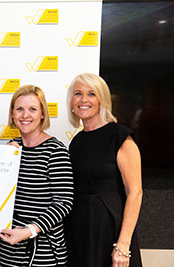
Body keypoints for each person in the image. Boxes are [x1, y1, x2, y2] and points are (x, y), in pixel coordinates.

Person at [65, 73, 143, 267]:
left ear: (102, 100)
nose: (84, 100)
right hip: (79, 229)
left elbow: (135, 193)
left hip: (109, 229)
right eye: (78, 94)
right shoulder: (76, 142)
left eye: (91, 94)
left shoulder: (120, 136)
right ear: (71, 102)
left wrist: (123, 245)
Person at [0, 85, 74, 267]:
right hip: (9, 249)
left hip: (44, 252)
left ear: (42, 114)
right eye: (19, 109)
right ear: (12, 114)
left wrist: (28, 231)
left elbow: (64, 203)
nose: (25, 115)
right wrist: (2, 161)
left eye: (32, 109)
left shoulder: (55, 151)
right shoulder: (9, 149)